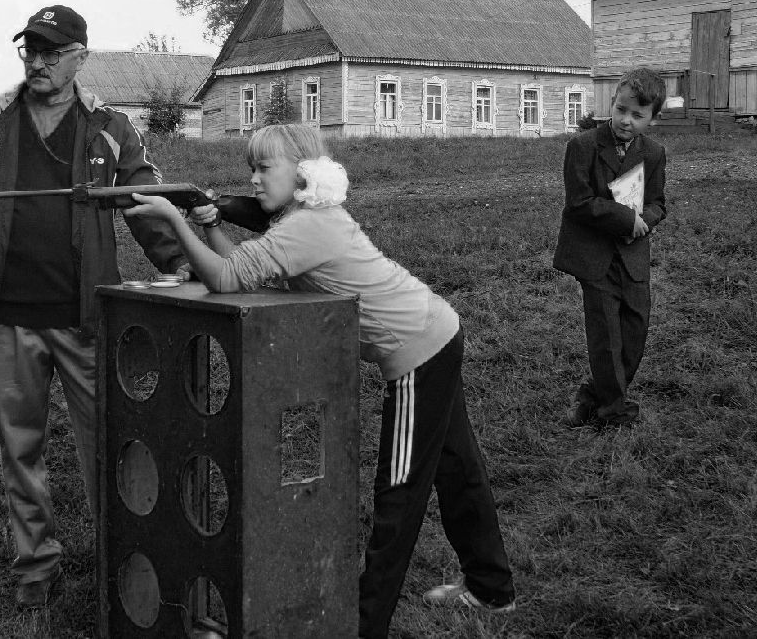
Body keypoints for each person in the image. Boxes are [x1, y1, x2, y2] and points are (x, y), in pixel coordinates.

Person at [122, 124, 516, 639]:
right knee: (457, 468)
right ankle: (491, 588)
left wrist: (176, 220)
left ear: (304, 171)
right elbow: (240, 269)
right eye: (253, 169)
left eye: (265, 169)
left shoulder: (307, 228)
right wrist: (214, 221)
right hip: (435, 330)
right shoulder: (305, 220)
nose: (256, 180)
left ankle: (361, 623)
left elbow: (223, 278)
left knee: (399, 490)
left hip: (418, 351)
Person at [0, 4, 187, 608]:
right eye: (31, 51)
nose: (39, 62)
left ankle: (125, 562)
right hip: (6, 318)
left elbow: (144, 202)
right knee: (19, 451)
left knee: (112, 448)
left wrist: (181, 264)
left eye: (52, 52)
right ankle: (36, 566)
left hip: (85, 320)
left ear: (80, 57)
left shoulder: (109, 126)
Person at [553, 67, 668, 429]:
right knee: (606, 339)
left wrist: (646, 219)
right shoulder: (583, 146)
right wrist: (624, 219)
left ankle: (592, 396)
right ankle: (615, 415)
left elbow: (659, 202)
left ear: (653, 118)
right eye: (621, 110)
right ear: (612, 103)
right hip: (595, 258)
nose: (626, 120)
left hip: (633, 258)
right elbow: (579, 202)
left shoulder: (653, 153)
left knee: (634, 336)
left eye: (638, 115)